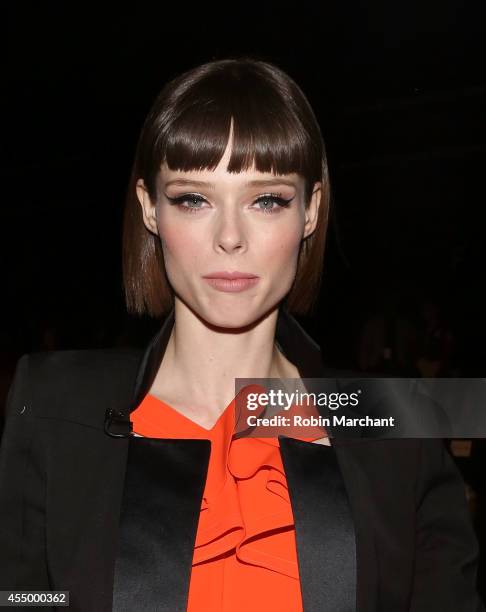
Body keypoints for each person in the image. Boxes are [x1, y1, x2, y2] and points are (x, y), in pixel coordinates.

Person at [0, 57, 484, 612]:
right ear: (150, 209)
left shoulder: (397, 417)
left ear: (310, 211)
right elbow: (21, 596)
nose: (230, 237)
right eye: (193, 199)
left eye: (267, 199)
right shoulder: (55, 405)